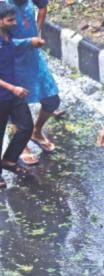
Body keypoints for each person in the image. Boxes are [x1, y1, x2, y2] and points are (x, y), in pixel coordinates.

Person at [0, 2, 43, 188]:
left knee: (26, 126)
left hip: (14, 92)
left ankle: (9, 159)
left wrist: (29, 43)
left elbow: (15, 46)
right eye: (10, 20)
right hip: (5, 93)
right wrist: (12, 88)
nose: (15, 22)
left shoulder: (8, 35)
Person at [11, 0, 59, 164]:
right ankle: (21, 144)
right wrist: (28, 42)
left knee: (52, 99)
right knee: (17, 105)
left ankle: (36, 131)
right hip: (11, 62)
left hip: (33, 57)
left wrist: (37, 31)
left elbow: (43, 6)